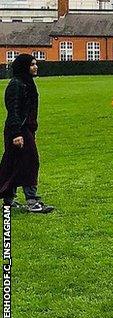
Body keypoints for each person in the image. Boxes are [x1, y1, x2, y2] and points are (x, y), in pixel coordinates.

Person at [0, 54, 54, 213]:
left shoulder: (27, 83)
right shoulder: (16, 85)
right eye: (32, 64)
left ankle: (8, 201)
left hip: (25, 128)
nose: (35, 67)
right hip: (18, 129)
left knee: (13, 163)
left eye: (35, 64)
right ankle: (31, 200)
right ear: (24, 67)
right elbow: (14, 110)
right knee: (30, 161)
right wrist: (17, 133)